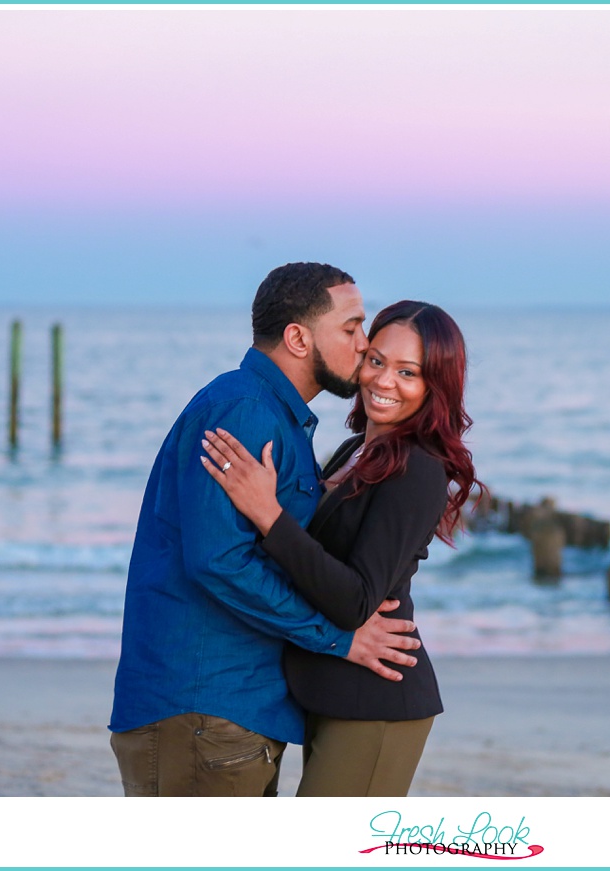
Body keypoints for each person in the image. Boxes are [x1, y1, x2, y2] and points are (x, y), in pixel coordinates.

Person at [109, 263, 423, 797]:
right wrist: (339, 639)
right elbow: (219, 559)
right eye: (351, 328)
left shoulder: (279, 418)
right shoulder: (246, 409)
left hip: (231, 713)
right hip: (204, 708)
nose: (364, 343)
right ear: (299, 338)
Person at [199, 300, 480, 796]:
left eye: (408, 372)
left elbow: (355, 601)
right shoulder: (358, 450)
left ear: (435, 386)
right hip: (331, 692)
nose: (383, 381)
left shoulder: (416, 469)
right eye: (376, 361)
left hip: (377, 703)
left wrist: (268, 514)